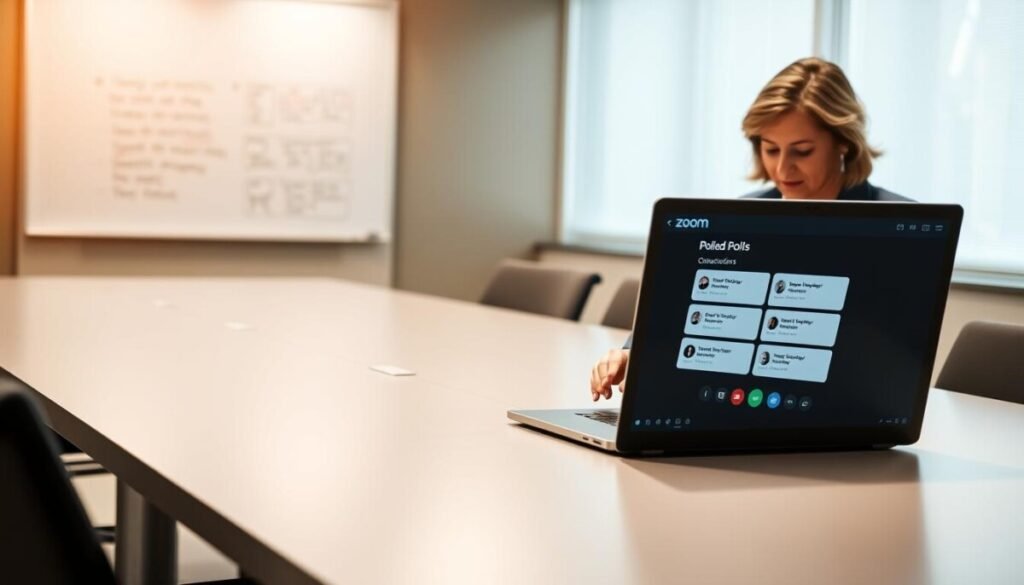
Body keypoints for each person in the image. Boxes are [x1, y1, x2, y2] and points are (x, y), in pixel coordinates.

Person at [590, 57, 912, 401]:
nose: (782, 167)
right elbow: (682, 307)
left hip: (847, 409)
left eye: (802, 151)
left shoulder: (898, 228)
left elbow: (896, 361)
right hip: (741, 401)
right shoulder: (742, 215)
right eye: (770, 149)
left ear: (844, 143)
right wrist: (633, 354)